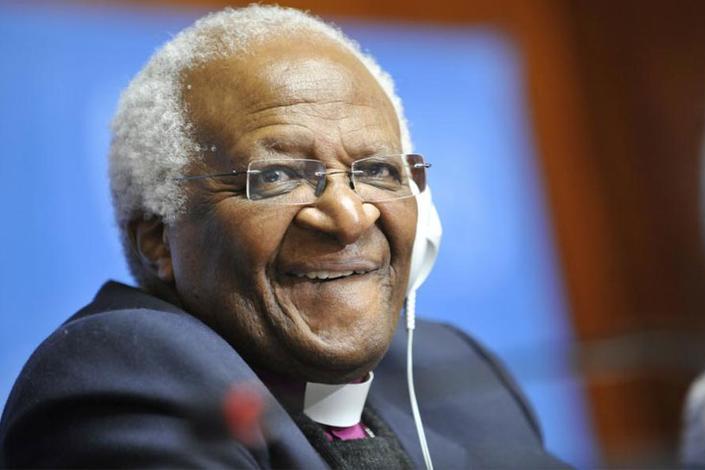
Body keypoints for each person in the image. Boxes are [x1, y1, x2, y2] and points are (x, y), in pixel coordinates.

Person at [0, 6, 568, 468]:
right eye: (276, 177)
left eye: (377, 170)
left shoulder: (452, 366)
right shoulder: (124, 373)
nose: (349, 216)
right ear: (157, 240)